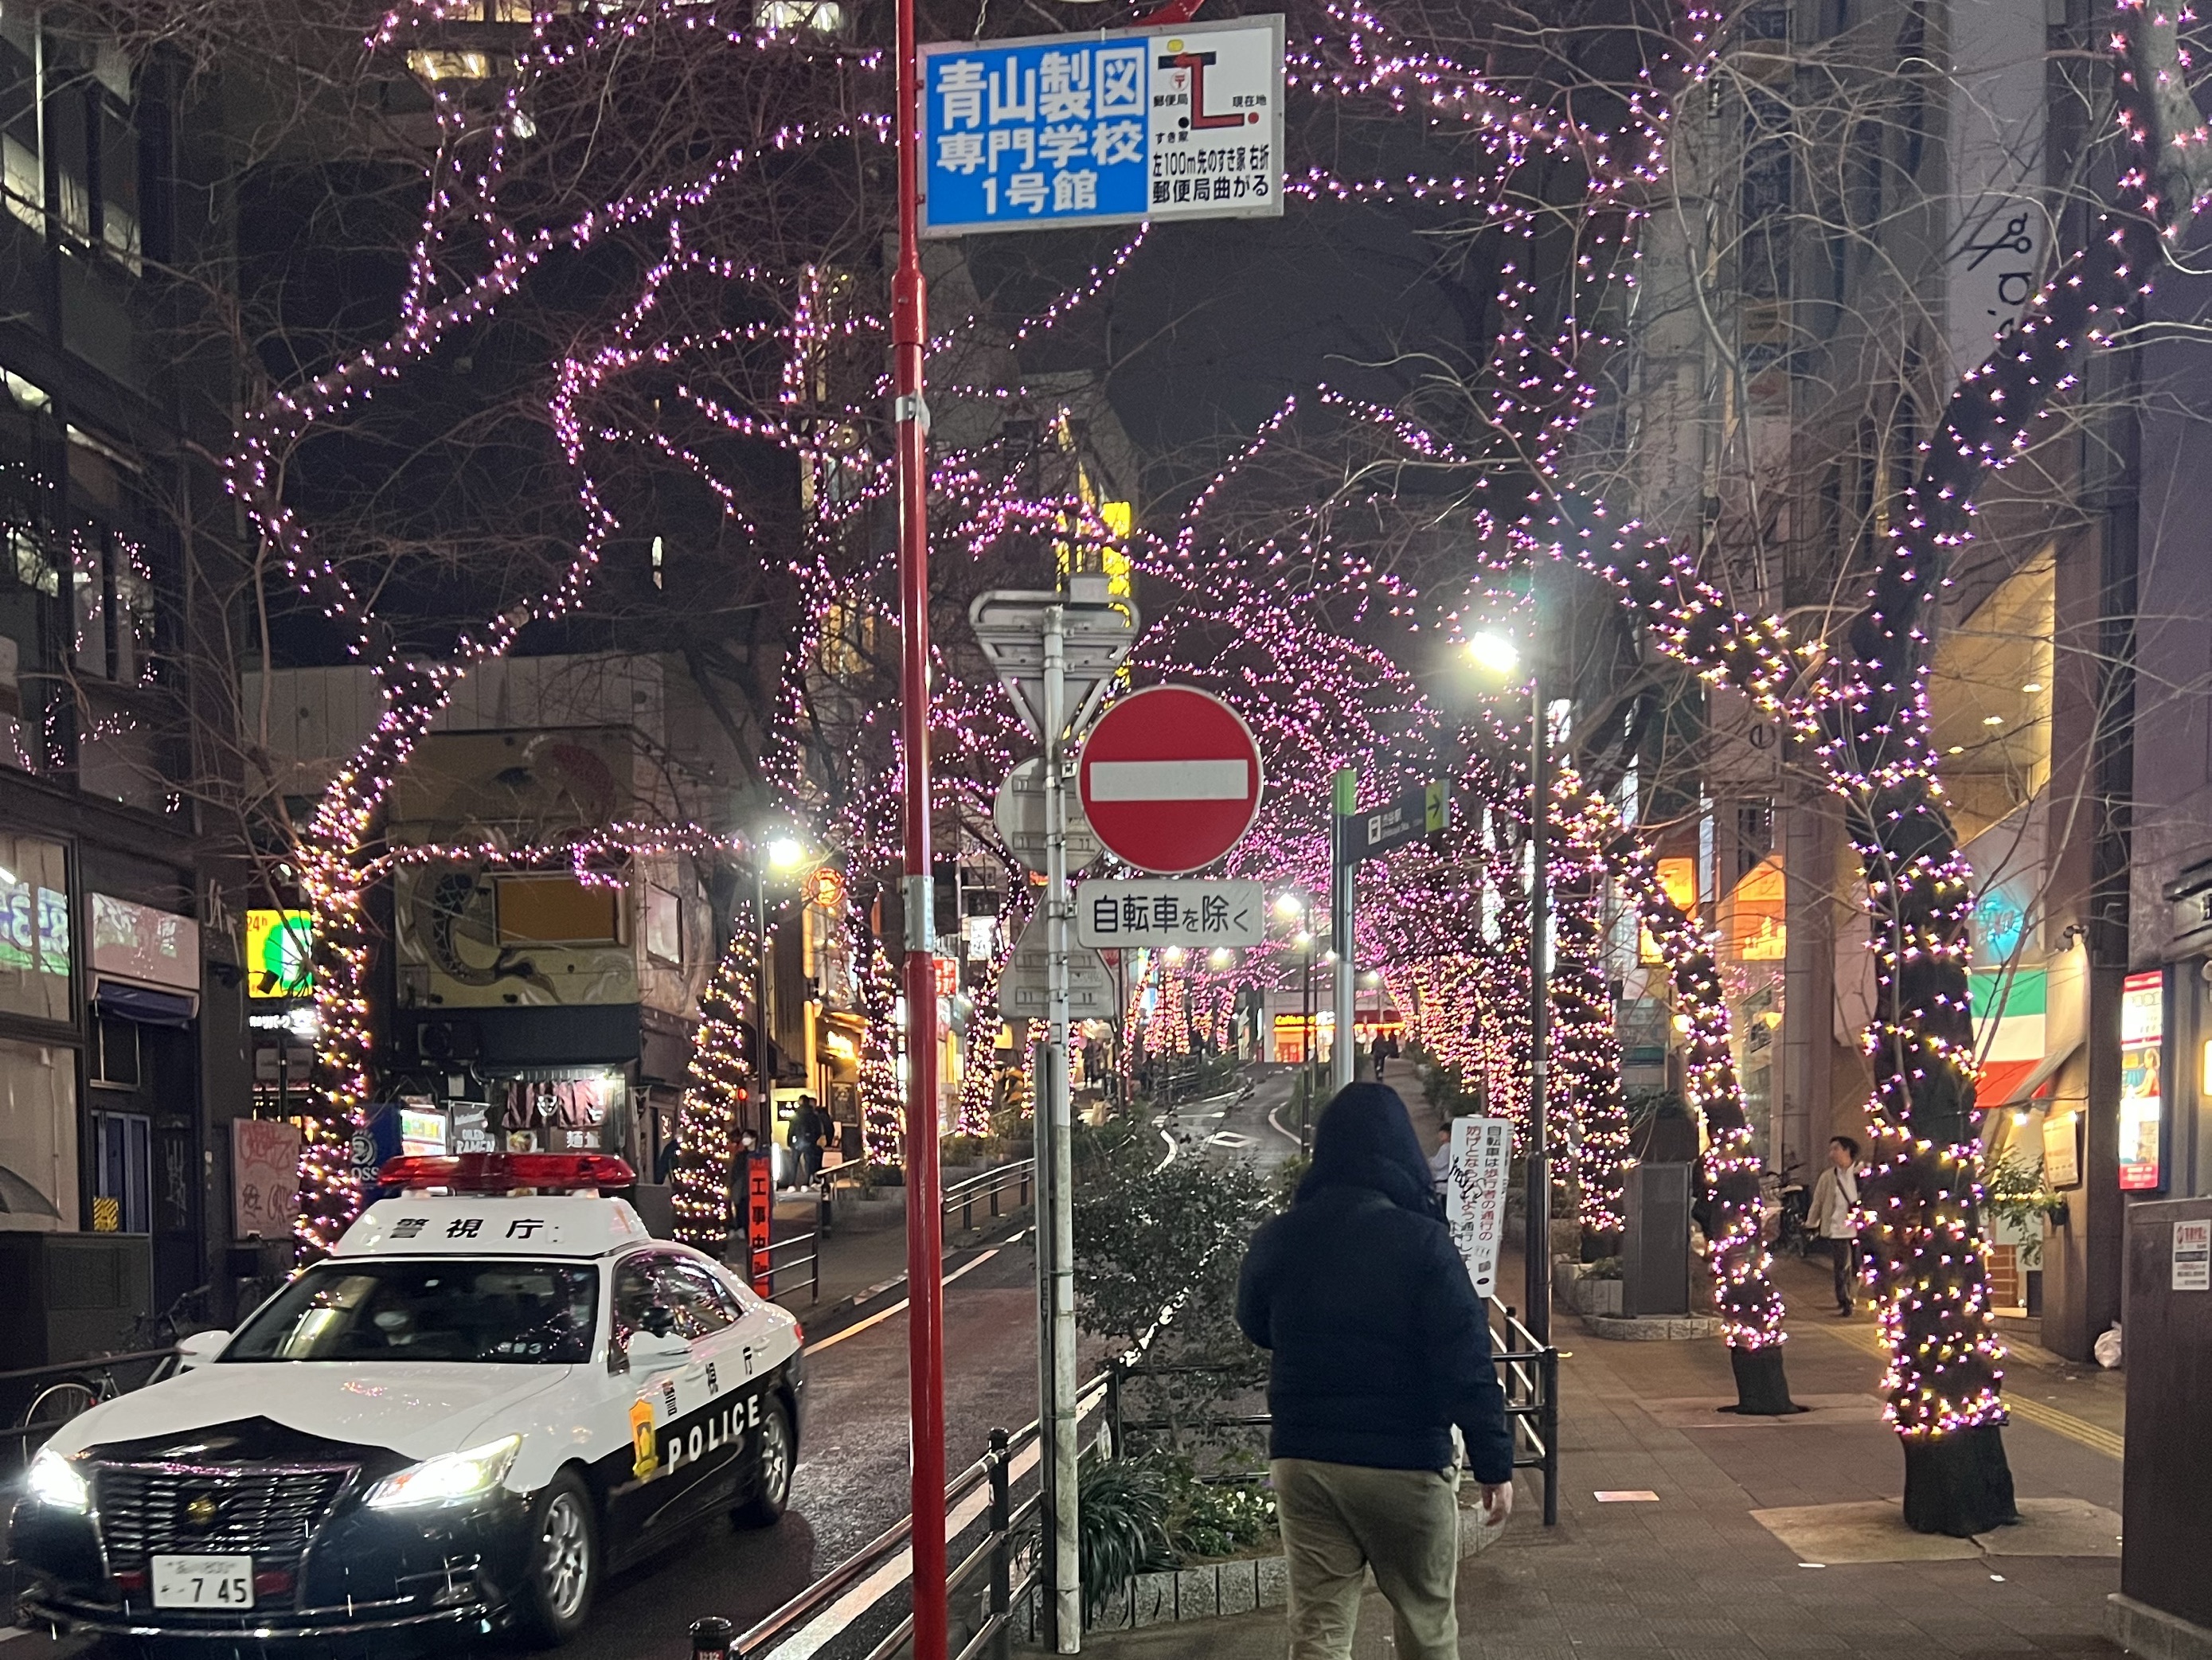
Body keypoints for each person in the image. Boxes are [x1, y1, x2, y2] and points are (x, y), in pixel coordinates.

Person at [1237, 1084, 1514, 1660]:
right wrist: (1495, 1463)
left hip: (1305, 1458)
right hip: (1405, 1462)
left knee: (1318, 1632)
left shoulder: (1280, 1238)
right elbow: (1465, 1361)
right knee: (1426, 1624)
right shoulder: (1424, 1243)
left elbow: (1256, 1324)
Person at [1808, 1134, 1863, 1315]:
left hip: (1862, 1229)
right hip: (1837, 1228)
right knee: (1842, 1266)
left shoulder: (1862, 1173)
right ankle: (1845, 1301)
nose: (1831, 1154)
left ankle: (1852, 1296)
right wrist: (1812, 1222)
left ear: (1847, 1150)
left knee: (1859, 1266)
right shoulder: (1828, 1177)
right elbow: (1818, 1201)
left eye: (1836, 1149)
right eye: (1831, 1149)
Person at [787, 1096, 826, 1187]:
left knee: (794, 1164)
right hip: (809, 1142)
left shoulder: (796, 1115)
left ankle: (792, 1184)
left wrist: (790, 1142)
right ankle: (806, 1183)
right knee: (808, 1163)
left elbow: (791, 1130)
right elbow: (818, 1130)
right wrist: (813, 1140)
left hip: (796, 1142)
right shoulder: (813, 1115)